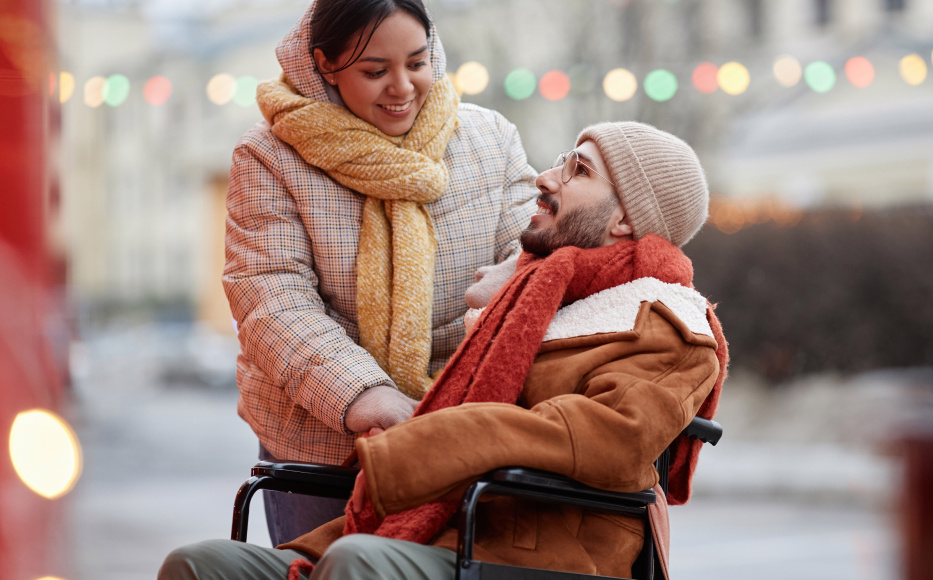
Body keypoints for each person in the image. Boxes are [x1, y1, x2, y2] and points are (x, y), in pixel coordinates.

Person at [161, 121, 729, 580]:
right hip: (446, 529)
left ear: (627, 216)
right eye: (562, 158)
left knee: (358, 563)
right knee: (199, 565)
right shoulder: (534, 300)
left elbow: (610, 441)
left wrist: (432, 443)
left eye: (578, 170)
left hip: (537, 552)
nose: (547, 178)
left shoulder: (667, 322)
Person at [224, 0, 537, 545]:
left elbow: (532, 267)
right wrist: (369, 399)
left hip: (465, 441)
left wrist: (456, 414)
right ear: (325, 65)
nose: (403, 87)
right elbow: (271, 299)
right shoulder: (269, 156)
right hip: (323, 446)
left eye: (417, 62)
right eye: (375, 72)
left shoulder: (491, 141)